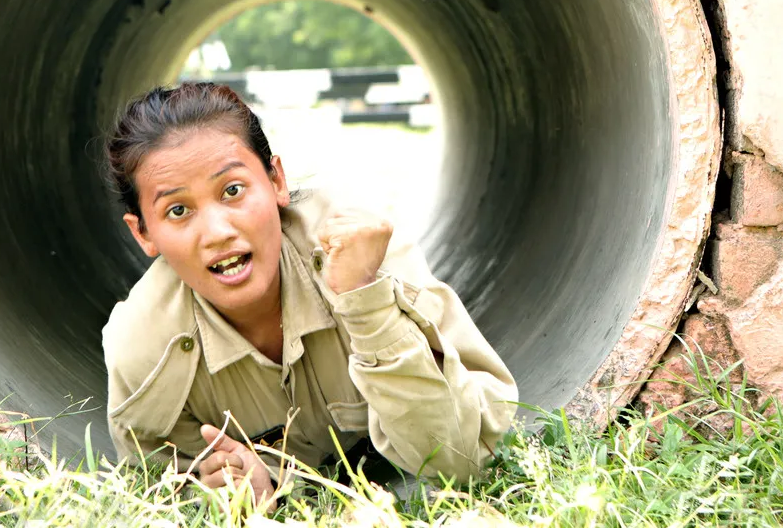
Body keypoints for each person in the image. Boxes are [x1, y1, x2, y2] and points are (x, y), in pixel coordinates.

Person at [101, 82, 517, 505]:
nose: (218, 232)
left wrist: (365, 303)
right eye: (178, 210)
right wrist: (243, 491)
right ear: (143, 234)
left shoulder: (363, 252)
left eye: (232, 190)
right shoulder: (145, 349)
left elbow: (461, 460)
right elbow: (152, 494)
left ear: (276, 181)